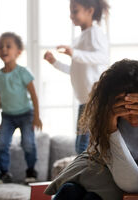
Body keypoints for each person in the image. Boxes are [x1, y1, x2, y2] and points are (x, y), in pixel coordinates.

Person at [44, 58, 138, 200]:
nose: (133, 119)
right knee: (71, 191)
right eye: (126, 111)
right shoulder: (108, 112)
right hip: (108, 172)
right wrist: (111, 129)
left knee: (90, 196)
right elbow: (129, 181)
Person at [44, 0, 110, 154]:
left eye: (75, 11)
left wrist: (74, 53)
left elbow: (103, 57)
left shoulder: (95, 32)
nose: (71, 16)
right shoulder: (79, 39)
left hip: (95, 98)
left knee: (83, 145)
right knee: (81, 145)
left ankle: (82, 175)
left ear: (89, 11)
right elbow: (75, 70)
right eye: (71, 11)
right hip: (84, 100)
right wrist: (54, 62)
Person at [0, 32, 42, 184]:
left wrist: (36, 116)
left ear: (18, 52)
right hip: (7, 116)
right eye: (1, 47)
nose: (4, 49)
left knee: (28, 143)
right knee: (1, 144)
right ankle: (4, 173)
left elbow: (33, 95)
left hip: (26, 114)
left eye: (8, 46)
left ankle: (31, 171)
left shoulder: (23, 72)